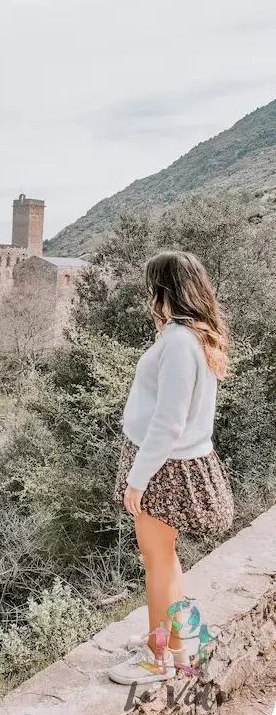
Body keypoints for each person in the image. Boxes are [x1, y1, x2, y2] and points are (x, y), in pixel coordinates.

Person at [108, 250, 234, 686]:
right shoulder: (188, 336)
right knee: (166, 559)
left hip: (166, 467)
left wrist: (137, 478)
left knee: (157, 563)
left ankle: (156, 659)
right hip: (175, 461)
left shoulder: (180, 341)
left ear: (164, 290)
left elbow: (169, 419)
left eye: (152, 288)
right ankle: (175, 646)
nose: (148, 296)